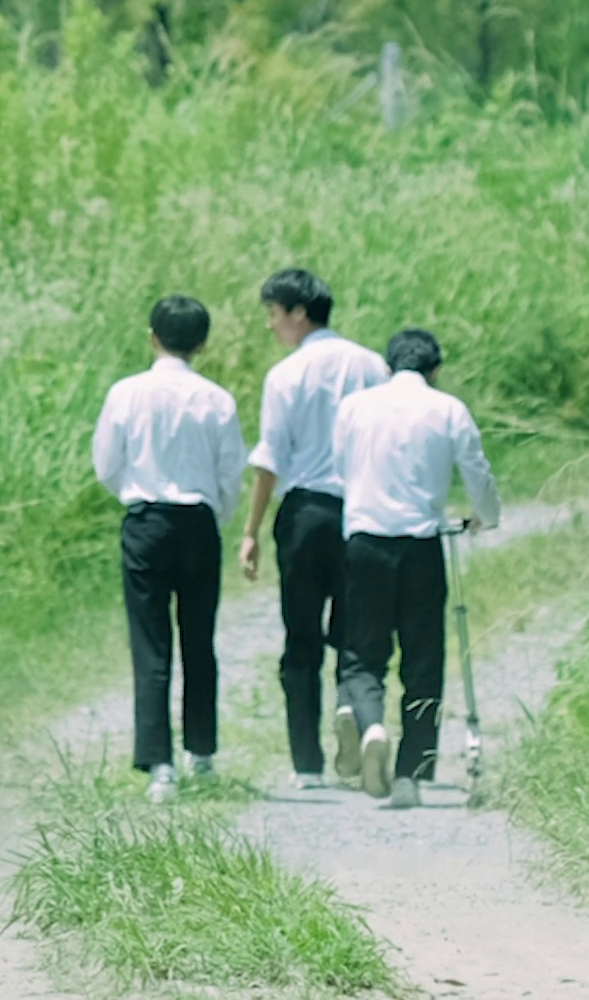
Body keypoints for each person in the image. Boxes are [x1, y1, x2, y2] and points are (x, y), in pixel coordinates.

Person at [328, 327, 499, 808]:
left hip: (365, 542)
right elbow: (477, 469)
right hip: (421, 547)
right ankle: (410, 775)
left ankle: (371, 725)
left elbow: (341, 469)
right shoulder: (448, 409)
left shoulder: (355, 407)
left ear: (387, 366)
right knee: (423, 660)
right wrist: (486, 516)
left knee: (361, 654)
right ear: (435, 369)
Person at [91, 293, 246, 804]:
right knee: (199, 639)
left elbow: (107, 464)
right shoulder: (217, 399)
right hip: (198, 520)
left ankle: (160, 765)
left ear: (152, 337)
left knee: (151, 644)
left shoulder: (126, 393)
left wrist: (137, 497)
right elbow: (230, 472)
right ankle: (201, 752)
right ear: (202, 344)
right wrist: (214, 516)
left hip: (146, 520)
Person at [235, 268, 387, 788]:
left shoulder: (286, 375)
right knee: (355, 633)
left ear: (298, 313)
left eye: (274, 314)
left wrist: (252, 529)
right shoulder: (373, 365)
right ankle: (353, 711)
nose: (271, 325)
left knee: (300, 638)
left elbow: (270, 460)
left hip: (304, 514)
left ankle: (307, 763)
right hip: (361, 512)